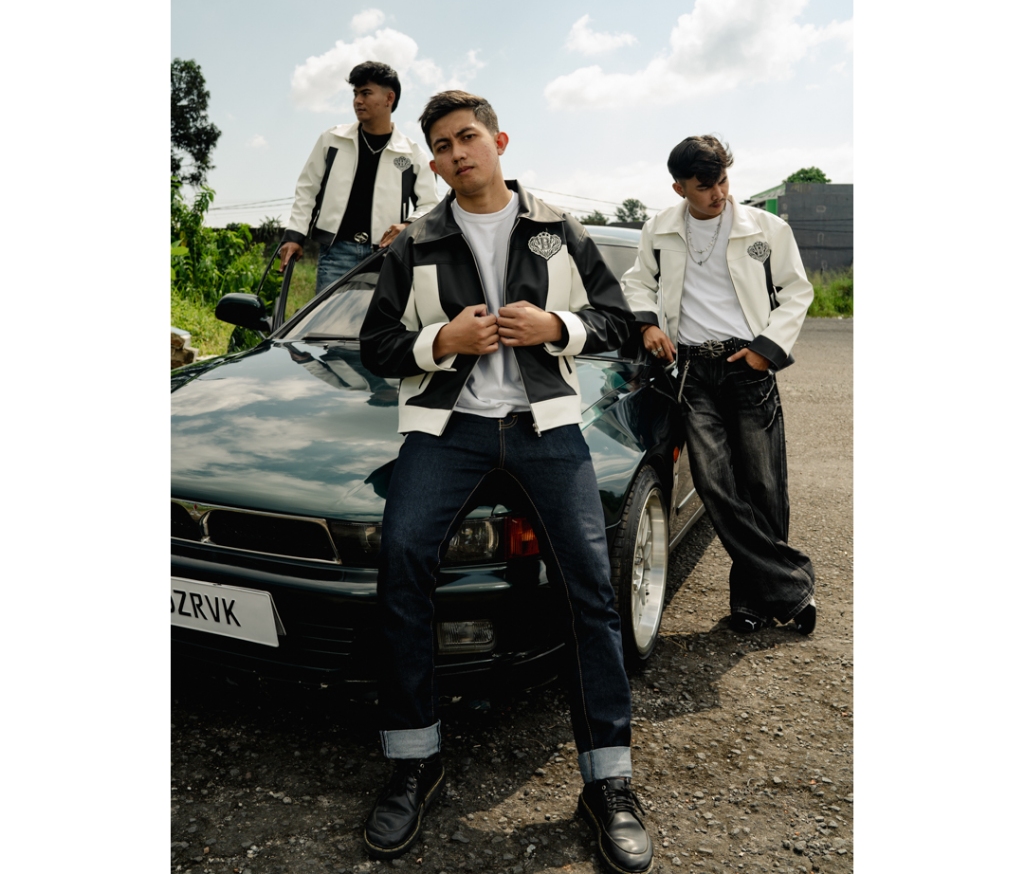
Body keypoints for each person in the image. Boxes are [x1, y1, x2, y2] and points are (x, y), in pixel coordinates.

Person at [358, 90, 655, 874]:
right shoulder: (415, 242)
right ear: (432, 163)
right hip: (445, 430)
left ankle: (608, 780)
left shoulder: (559, 229)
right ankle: (414, 761)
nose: (457, 153)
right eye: (442, 145)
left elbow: (617, 322)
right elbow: (377, 345)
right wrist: (439, 340)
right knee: (403, 562)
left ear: (499, 141)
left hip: (544, 426)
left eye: (468, 137)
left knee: (589, 586)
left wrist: (559, 328)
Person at [621, 135, 817, 637]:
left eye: (723, 181)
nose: (719, 194)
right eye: (705, 186)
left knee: (763, 484)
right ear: (679, 188)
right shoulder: (659, 229)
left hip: (747, 364)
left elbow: (797, 291)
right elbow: (637, 282)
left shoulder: (766, 229)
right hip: (692, 370)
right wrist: (647, 324)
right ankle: (792, 585)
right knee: (713, 483)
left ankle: (752, 601)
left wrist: (765, 349)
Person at [279, 60, 440, 294]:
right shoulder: (332, 140)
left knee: (381, 317)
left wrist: (407, 226)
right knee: (329, 317)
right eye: (355, 94)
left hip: (386, 255)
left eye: (366, 93)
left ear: (389, 98)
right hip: (336, 253)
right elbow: (307, 190)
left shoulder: (411, 154)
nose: (357, 100)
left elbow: (430, 204)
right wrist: (294, 236)